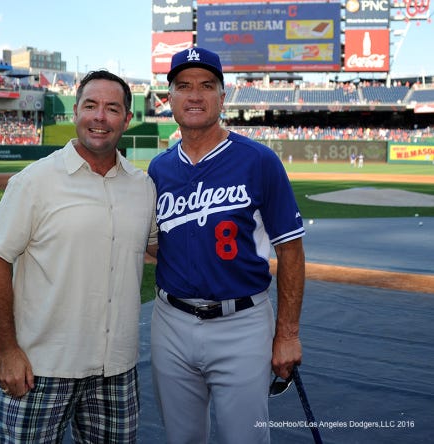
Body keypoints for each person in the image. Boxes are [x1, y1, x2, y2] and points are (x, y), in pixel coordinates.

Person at [0, 70, 157, 443]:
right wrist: (6, 350)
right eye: (90, 106)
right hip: (42, 368)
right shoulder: (34, 181)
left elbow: (162, 248)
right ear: (75, 111)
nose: (99, 117)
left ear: (127, 119)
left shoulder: (143, 188)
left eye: (112, 108)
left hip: (117, 370)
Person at [148, 47, 306, 444]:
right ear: (169, 98)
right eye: (183, 86)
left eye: (206, 85)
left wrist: (286, 333)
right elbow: (156, 245)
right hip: (171, 321)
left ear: (223, 95)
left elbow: (290, 249)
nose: (195, 95)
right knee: (181, 439)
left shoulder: (259, 160)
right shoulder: (159, 169)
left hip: (243, 324)